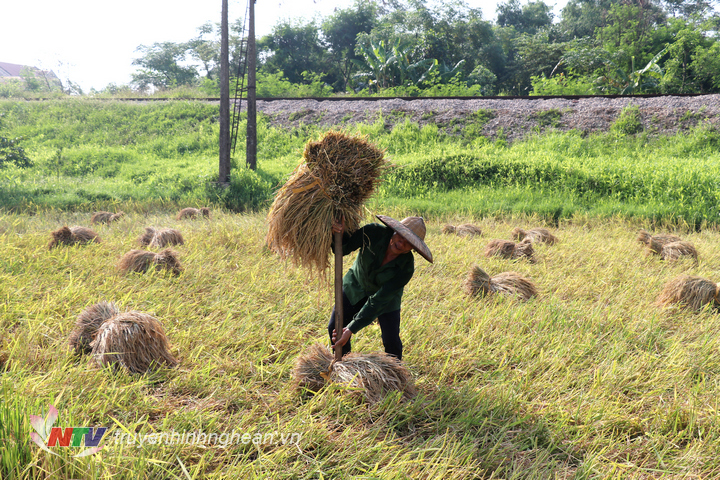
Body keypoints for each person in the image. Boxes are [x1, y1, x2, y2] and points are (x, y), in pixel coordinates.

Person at [329, 215, 433, 361]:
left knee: (391, 342)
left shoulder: (406, 267)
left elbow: (379, 300)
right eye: (401, 236)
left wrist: (352, 328)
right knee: (335, 328)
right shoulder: (372, 233)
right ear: (394, 231)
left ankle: (396, 376)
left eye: (408, 243)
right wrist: (338, 233)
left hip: (385, 299)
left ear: (413, 248)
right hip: (356, 285)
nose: (401, 243)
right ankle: (344, 366)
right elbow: (343, 248)